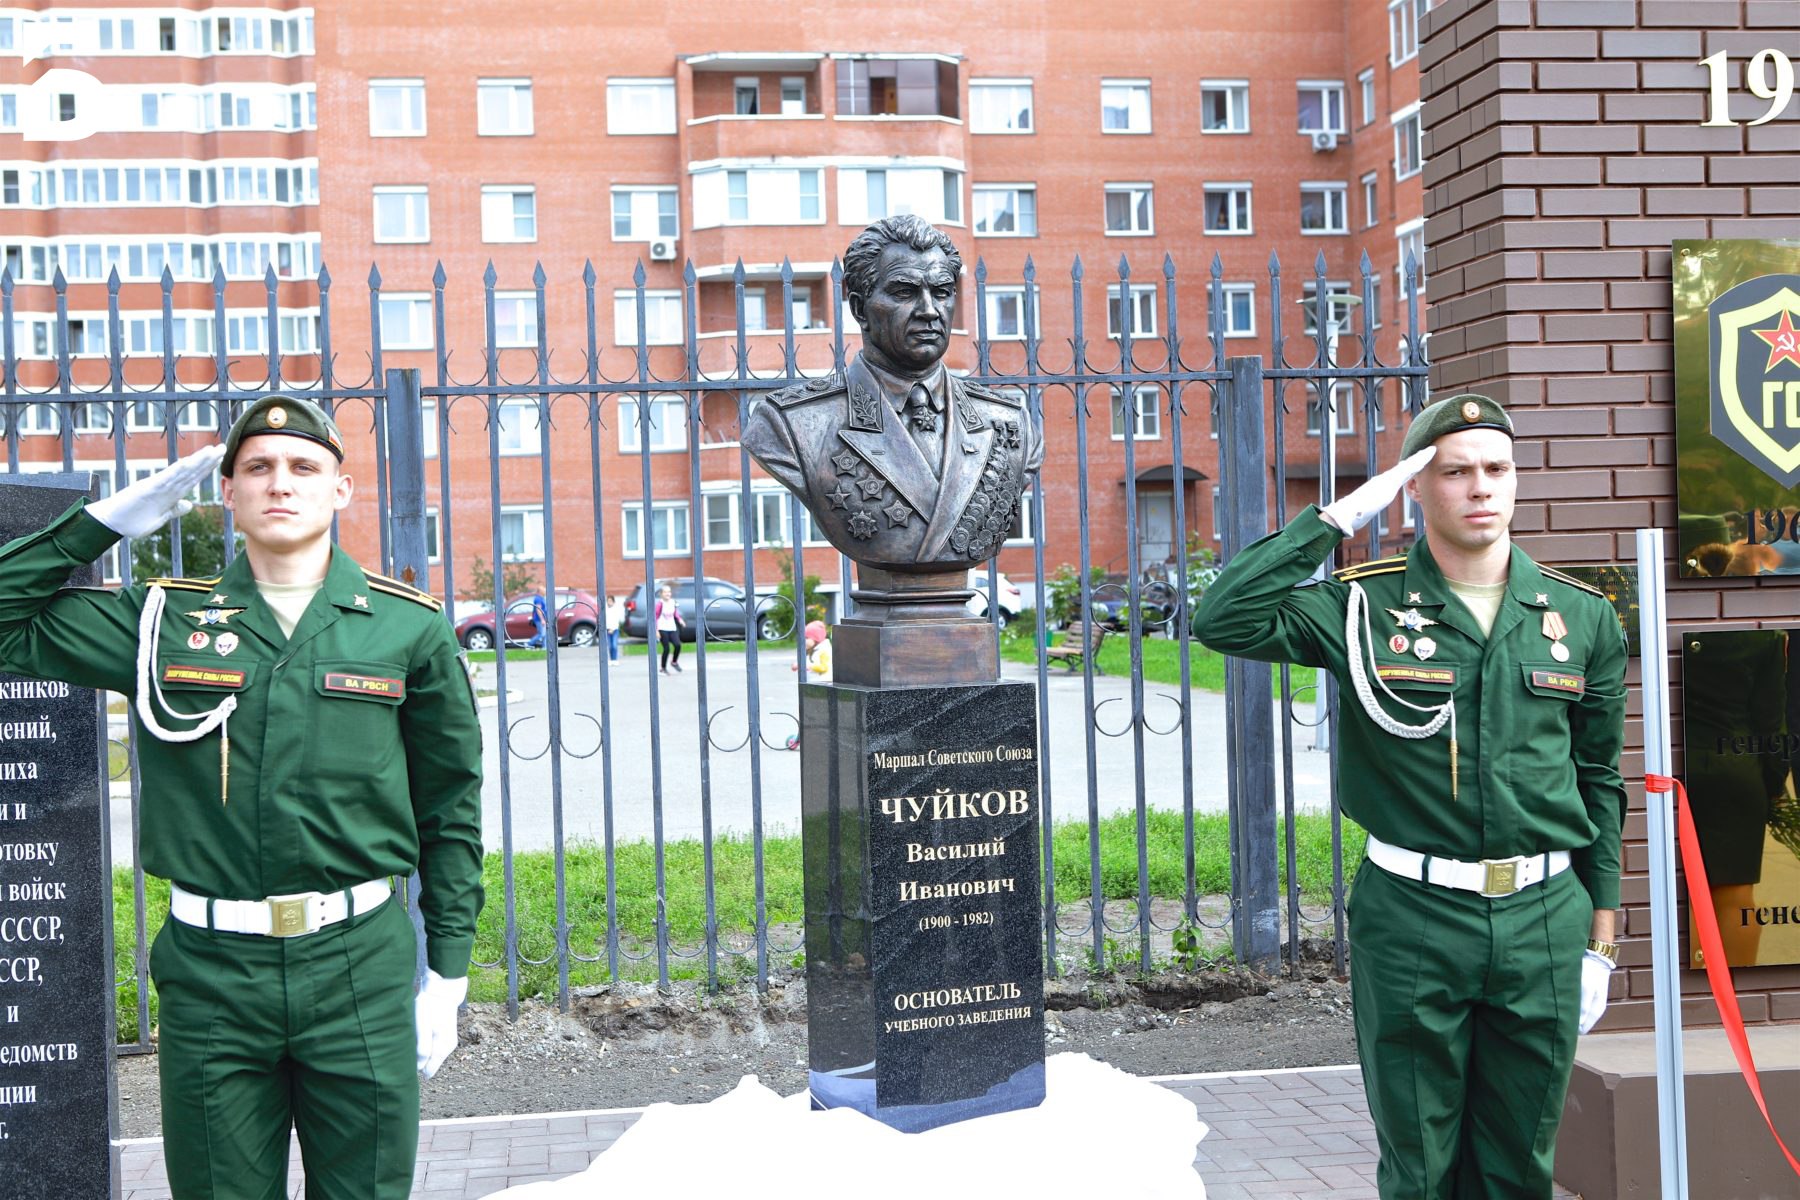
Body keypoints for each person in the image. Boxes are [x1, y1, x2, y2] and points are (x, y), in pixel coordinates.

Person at [0, 396, 484, 1199]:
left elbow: (450, 808)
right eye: (257, 467)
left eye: (303, 467)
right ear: (227, 492)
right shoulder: (164, 622)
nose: (280, 483)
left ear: (342, 489)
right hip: (212, 975)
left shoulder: (405, 629)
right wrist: (108, 522)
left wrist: (450, 970)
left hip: (359, 964)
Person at [1193, 394, 1627, 1199]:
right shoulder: (1362, 604)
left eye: (1497, 470)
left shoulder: (1581, 615)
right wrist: (1330, 521)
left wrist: (1600, 936)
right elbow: (1223, 617)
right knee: (1419, 1163)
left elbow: (1599, 779)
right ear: (1416, 490)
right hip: (1415, 913)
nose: (1480, 489)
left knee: (1520, 1164)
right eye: (1454, 472)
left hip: (1544, 916)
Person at [740, 215, 1045, 573]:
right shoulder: (793, 424)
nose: (930, 311)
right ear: (859, 309)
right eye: (905, 292)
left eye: (942, 292)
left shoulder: (1009, 422)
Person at [655, 583, 684, 673]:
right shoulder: (660, 604)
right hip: (662, 628)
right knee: (666, 649)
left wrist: (680, 620)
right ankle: (663, 668)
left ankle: (674, 662)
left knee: (678, 645)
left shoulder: (672, 602)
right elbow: (655, 617)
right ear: (661, 594)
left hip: (672, 627)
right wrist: (656, 630)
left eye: (669, 592)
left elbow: (675, 613)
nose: (667, 594)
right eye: (665, 592)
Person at [605, 593, 622, 661]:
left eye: (610, 601)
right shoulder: (606, 610)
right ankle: (611, 659)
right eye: (608, 601)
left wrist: (612, 629)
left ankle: (615, 659)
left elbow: (616, 621)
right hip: (608, 630)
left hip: (615, 630)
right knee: (610, 646)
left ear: (613, 602)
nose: (609, 603)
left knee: (614, 645)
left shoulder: (616, 610)